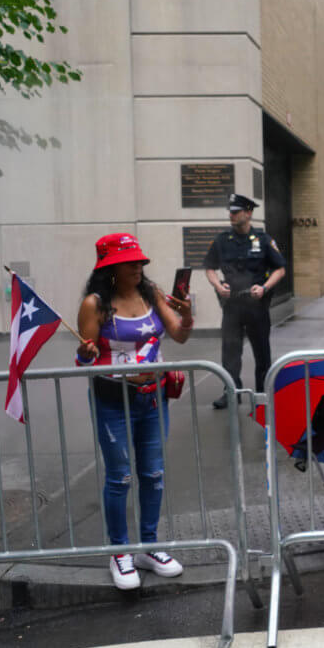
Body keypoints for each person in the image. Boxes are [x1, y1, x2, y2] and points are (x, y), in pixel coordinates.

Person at [75, 233, 194, 590]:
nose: (138, 268)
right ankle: (119, 551)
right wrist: (87, 354)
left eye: (140, 262)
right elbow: (83, 359)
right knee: (120, 477)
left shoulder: (150, 293)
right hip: (112, 399)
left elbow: (180, 335)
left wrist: (187, 316)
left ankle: (148, 545)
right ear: (110, 267)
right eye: (130, 263)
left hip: (152, 399)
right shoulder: (94, 304)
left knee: (153, 473)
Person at [203, 193, 287, 409]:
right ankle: (231, 393)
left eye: (236, 211)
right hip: (232, 306)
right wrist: (218, 286)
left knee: (262, 353)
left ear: (248, 213)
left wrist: (265, 287)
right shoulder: (222, 241)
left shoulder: (264, 240)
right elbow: (210, 267)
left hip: (256, 306)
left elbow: (280, 269)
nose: (231, 215)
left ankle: (262, 394)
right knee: (230, 353)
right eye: (230, 212)